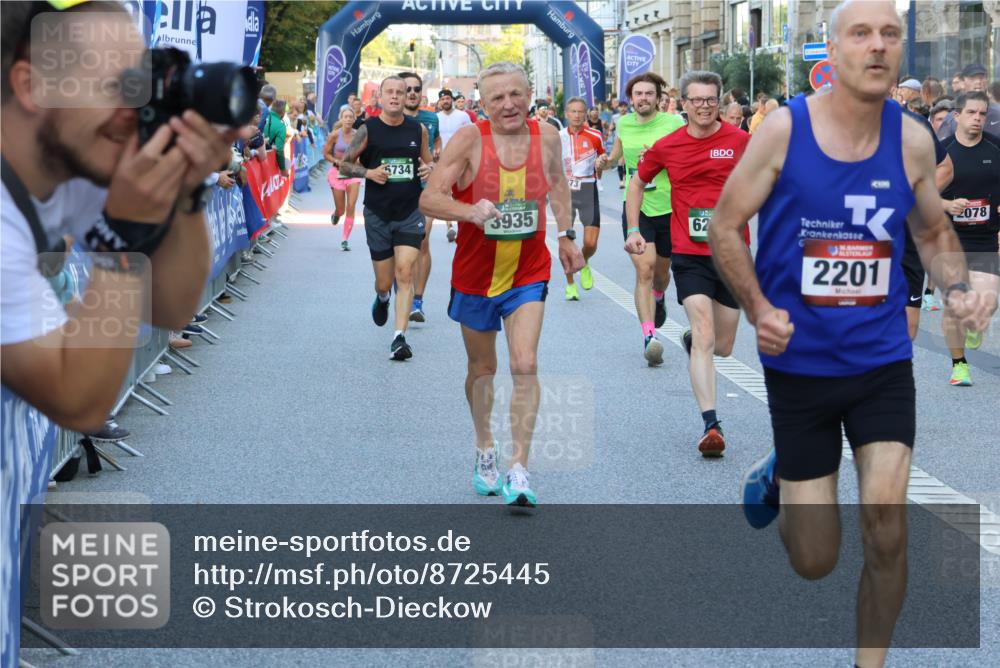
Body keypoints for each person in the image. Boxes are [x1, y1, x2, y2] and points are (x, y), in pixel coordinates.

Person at [709, 3, 991, 667]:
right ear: (831, 51)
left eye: (890, 33)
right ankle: (780, 475)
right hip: (799, 365)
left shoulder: (913, 139)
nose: (878, 46)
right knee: (814, 560)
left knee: (887, 527)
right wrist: (758, 308)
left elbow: (931, 230)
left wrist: (958, 289)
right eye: (860, 34)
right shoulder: (784, 130)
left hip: (880, 362)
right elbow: (724, 225)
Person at [1, 5, 236, 661]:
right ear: (32, 86)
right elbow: (79, 400)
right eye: (119, 84)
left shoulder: (61, 167)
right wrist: (119, 244)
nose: (139, 107)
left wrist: (184, 191)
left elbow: (172, 303)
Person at [419, 61, 584, 507]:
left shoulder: (546, 135)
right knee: (482, 370)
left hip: (529, 270)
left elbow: (558, 184)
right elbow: (430, 198)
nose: (508, 104)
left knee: (525, 362)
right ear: (483, 103)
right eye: (497, 98)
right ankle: (484, 446)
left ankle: (519, 468)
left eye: (516, 94)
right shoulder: (469, 139)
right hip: (475, 275)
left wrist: (566, 235)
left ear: (529, 95)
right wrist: (469, 211)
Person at [627, 70, 749, 456]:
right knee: (705, 334)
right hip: (689, 254)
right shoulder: (668, 146)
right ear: (683, 103)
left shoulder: (740, 141)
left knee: (723, 346)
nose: (704, 106)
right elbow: (637, 182)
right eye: (696, 99)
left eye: (711, 99)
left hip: (732, 254)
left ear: (719, 102)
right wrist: (633, 227)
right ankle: (711, 425)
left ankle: (695, 342)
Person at [335, 76, 433, 361]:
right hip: (378, 213)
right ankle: (382, 298)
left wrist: (430, 169)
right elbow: (344, 166)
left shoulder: (418, 129)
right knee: (384, 281)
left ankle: (399, 337)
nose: (395, 96)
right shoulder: (368, 130)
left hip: (410, 211)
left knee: (405, 272)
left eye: (400, 92)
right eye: (389, 92)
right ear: (379, 96)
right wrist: (369, 173)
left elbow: (428, 162)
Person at [598, 72, 685, 365]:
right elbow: (617, 157)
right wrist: (605, 162)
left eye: (649, 93)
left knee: (661, 274)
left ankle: (659, 296)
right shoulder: (624, 124)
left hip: (669, 207)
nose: (643, 98)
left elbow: (685, 159)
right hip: (637, 207)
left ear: (658, 98)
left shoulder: (673, 124)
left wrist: (662, 158)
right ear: (631, 98)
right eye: (638, 94)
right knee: (644, 271)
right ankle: (650, 337)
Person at [939, 91, 1000, 386]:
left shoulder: (995, 147)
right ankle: (959, 366)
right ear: (957, 115)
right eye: (972, 113)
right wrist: (947, 205)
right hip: (949, 239)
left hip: (985, 238)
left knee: (989, 302)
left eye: (982, 114)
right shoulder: (942, 151)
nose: (977, 118)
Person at [400, 71, 442, 322]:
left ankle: (417, 301)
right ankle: (391, 287)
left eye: (417, 89)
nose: (413, 93)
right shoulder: (388, 119)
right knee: (398, 245)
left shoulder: (431, 118)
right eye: (408, 89)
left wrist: (434, 161)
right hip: (397, 190)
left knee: (422, 240)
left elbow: (437, 144)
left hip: (425, 187)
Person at [559, 97, 606, 301]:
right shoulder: (558, 137)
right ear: (566, 114)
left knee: (591, 242)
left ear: (585, 114)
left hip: (588, 188)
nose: (577, 115)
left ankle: (584, 260)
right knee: (566, 241)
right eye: (573, 111)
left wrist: (602, 164)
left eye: (580, 111)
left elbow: (603, 161)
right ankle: (570, 285)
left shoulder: (596, 135)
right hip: (565, 192)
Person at [322, 107, 362, 251]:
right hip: (337, 173)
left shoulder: (359, 135)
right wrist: (336, 161)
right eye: (346, 117)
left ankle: (345, 239)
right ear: (341, 118)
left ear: (354, 119)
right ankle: (336, 214)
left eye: (351, 117)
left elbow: (363, 154)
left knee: (351, 206)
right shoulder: (334, 135)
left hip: (353, 174)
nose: (348, 119)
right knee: (341, 210)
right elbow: (326, 154)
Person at [437, 88, 472, 242]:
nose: (445, 101)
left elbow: (472, 135)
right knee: (445, 192)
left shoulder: (463, 116)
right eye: (442, 99)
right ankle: (450, 226)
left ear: (452, 100)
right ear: (439, 102)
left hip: (462, 159)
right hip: (443, 160)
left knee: (461, 193)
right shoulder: (436, 118)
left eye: (447, 98)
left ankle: (462, 226)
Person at [937, 63, 1000, 138]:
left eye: (981, 78)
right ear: (962, 83)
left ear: (987, 82)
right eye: (972, 78)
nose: (978, 82)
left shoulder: (997, 113)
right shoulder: (951, 118)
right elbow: (943, 144)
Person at [265, 99, 289, 178]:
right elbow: (279, 150)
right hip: (264, 163)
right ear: (283, 112)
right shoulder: (280, 126)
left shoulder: (262, 116)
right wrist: (283, 169)